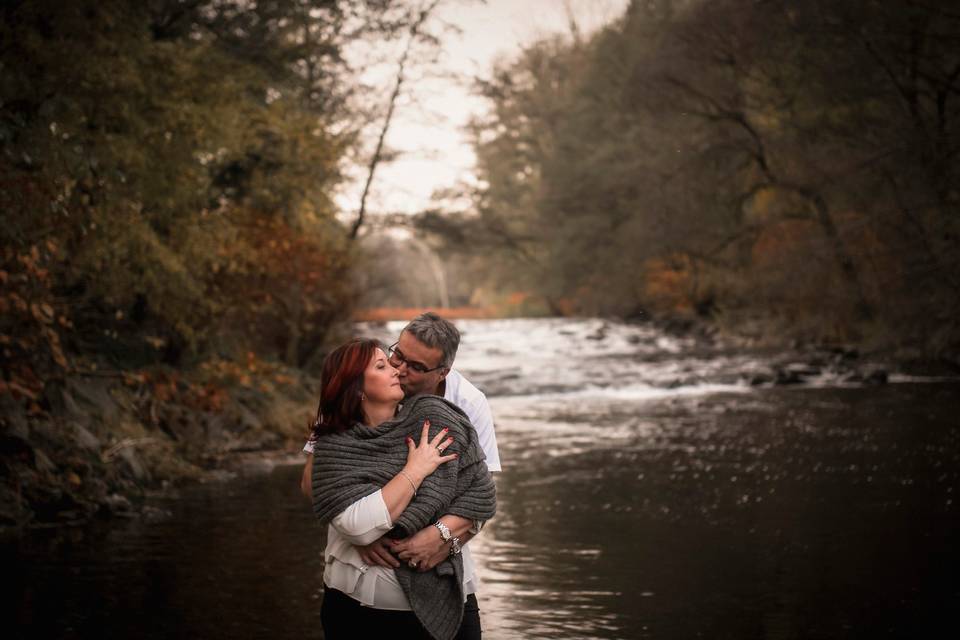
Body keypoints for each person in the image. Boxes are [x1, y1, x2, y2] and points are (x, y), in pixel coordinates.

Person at [301, 312, 501, 635]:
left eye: (416, 366)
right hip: (359, 596)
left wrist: (441, 536)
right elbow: (317, 484)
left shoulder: (465, 403)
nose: (398, 368)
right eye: (396, 354)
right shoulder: (348, 397)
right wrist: (363, 532)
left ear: (442, 373)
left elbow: (479, 495)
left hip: (444, 580)